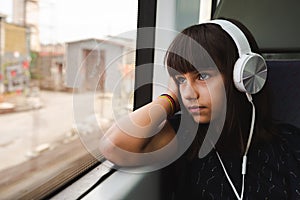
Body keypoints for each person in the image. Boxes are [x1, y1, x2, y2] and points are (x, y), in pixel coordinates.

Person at [99, 18, 300, 199]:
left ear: (242, 77)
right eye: (180, 80)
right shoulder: (184, 138)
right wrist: (170, 98)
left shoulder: (289, 143)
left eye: (202, 76)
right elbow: (113, 145)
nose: (188, 93)